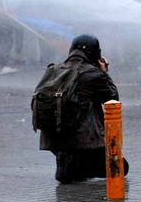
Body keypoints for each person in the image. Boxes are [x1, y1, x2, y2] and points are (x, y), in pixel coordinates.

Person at [39, 34, 129, 184]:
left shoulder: (54, 69)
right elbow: (112, 98)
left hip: (53, 139)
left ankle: (69, 163)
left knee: (75, 163)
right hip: (85, 141)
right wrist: (103, 72)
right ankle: (76, 167)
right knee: (121, 167)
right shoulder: (92, 74)